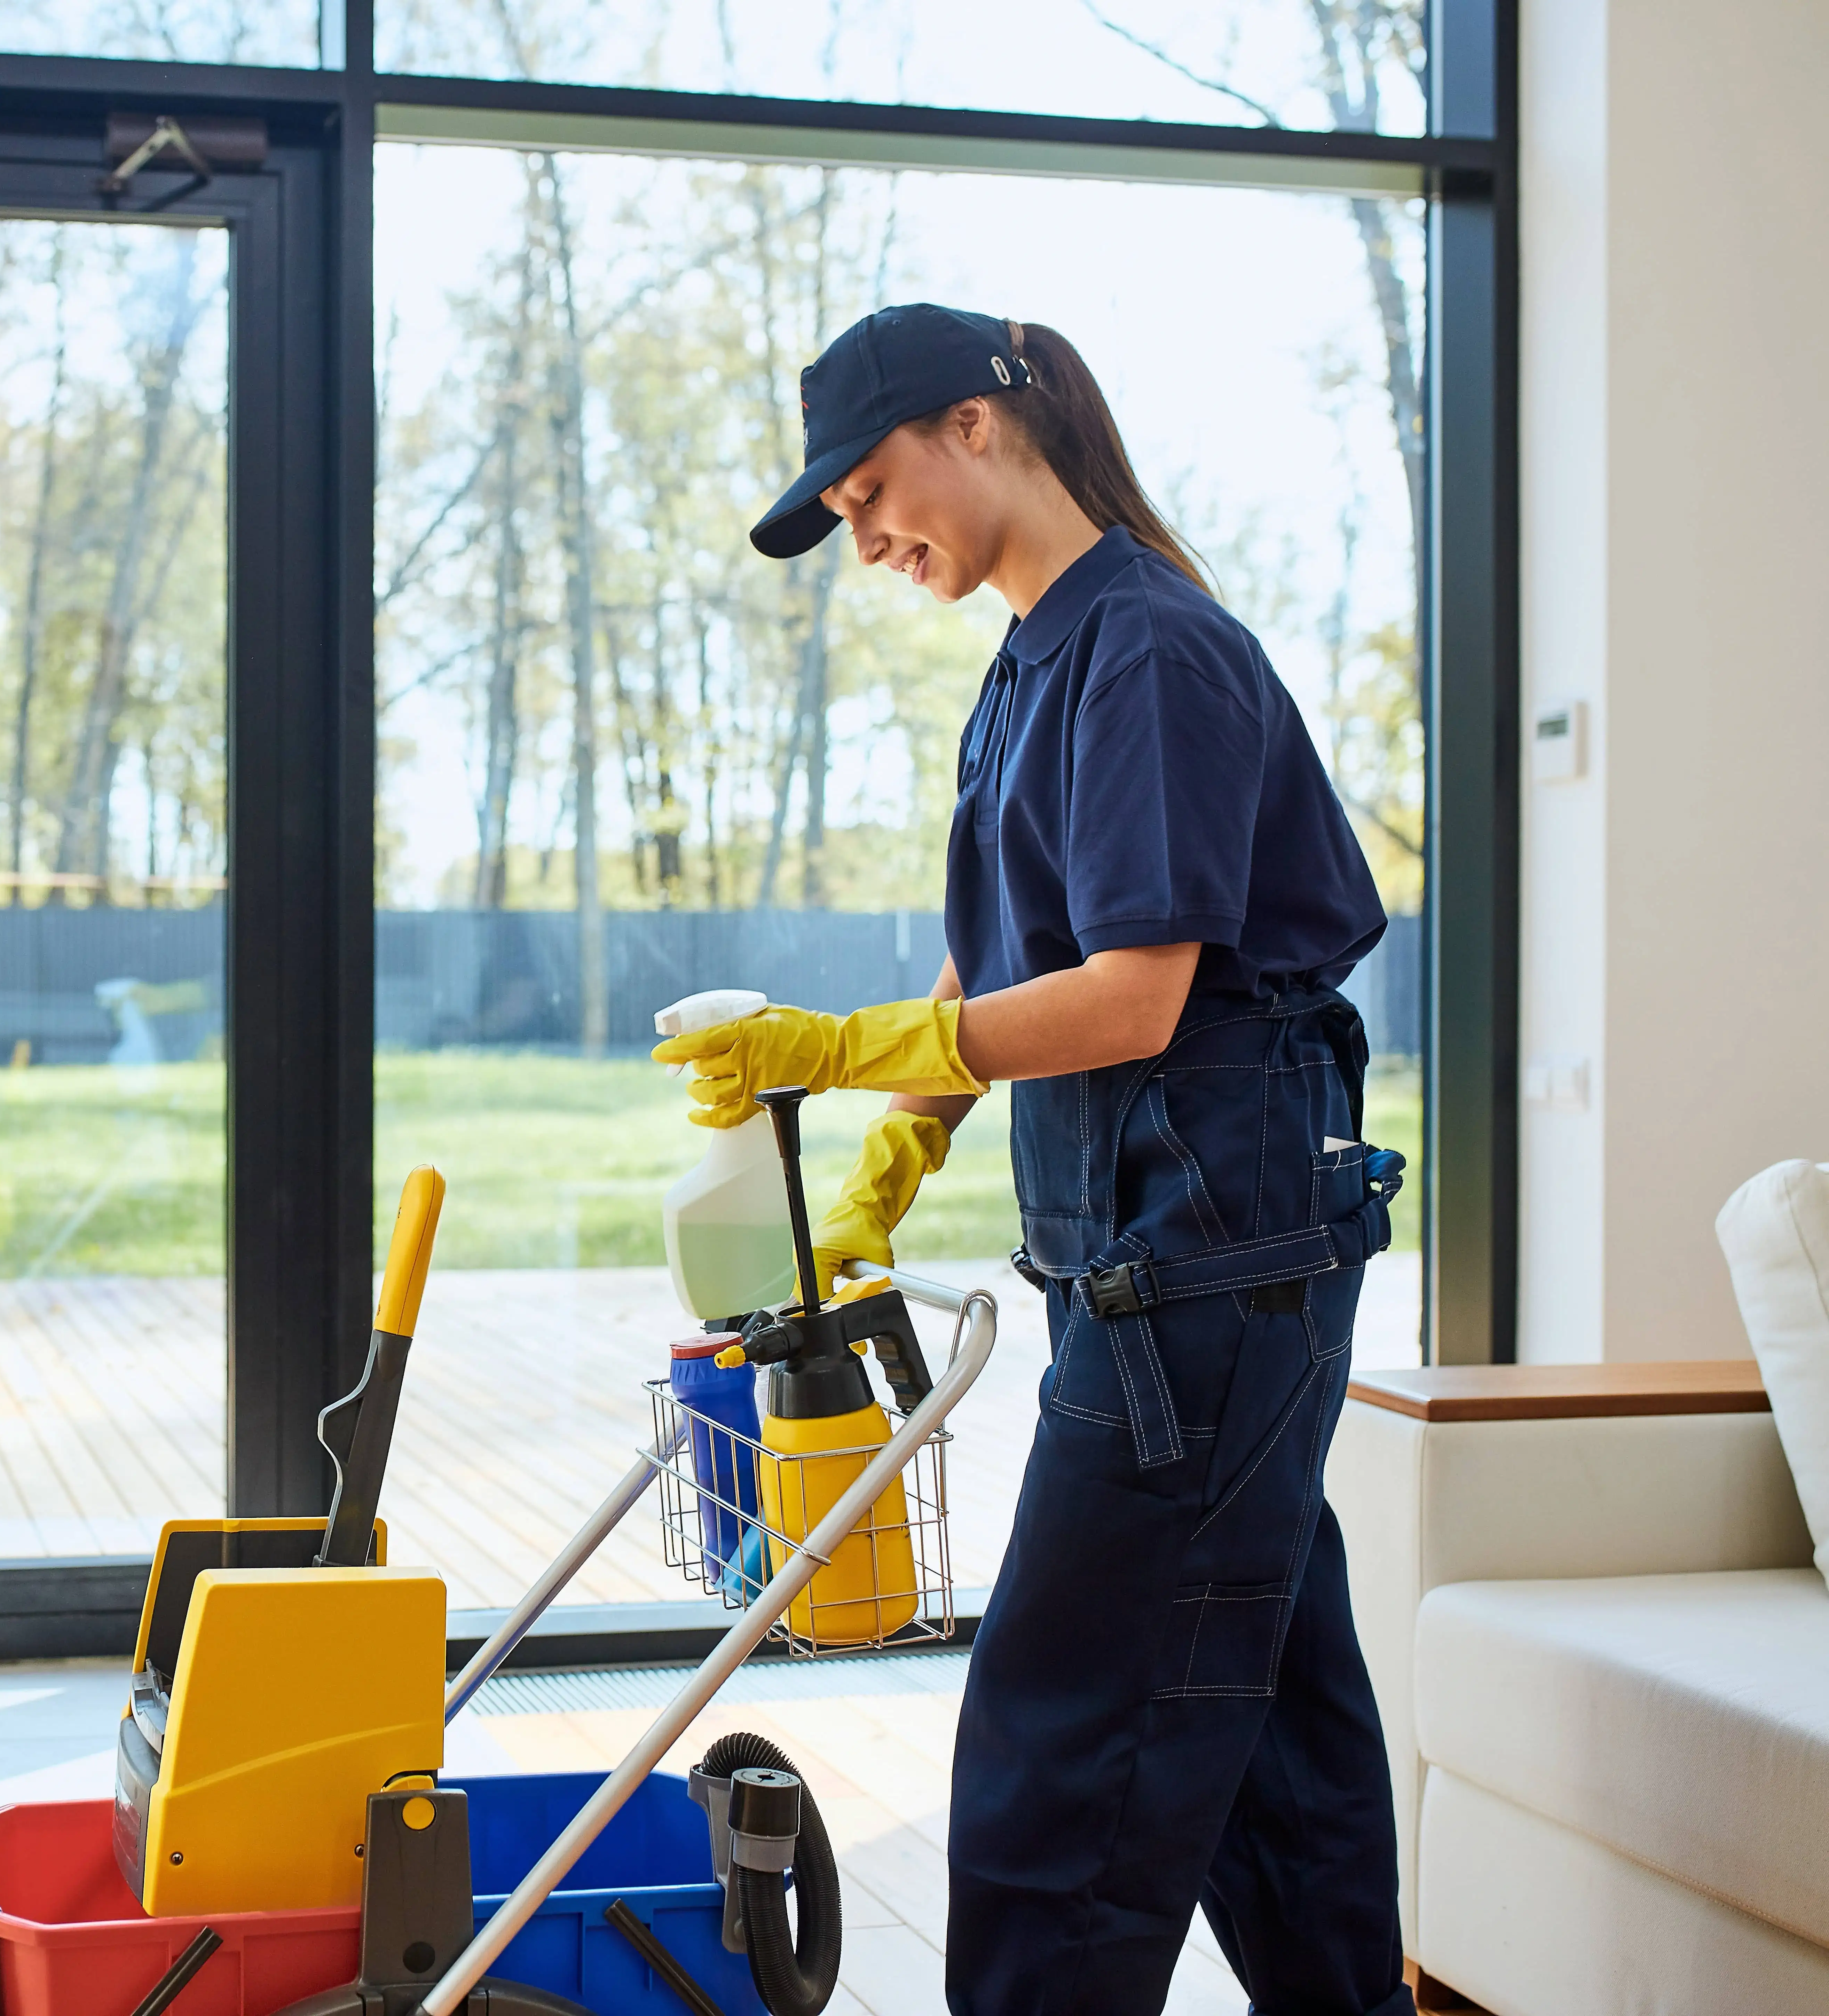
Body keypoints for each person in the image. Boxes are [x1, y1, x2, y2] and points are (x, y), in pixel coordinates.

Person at [656, 304, 1410, 2016]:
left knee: (1060, 1744)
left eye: (869, 492)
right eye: (842, 516)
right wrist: (895, 1151)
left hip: (1203, 1270)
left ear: (977, 425)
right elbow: (1004, 953)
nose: (865, 539)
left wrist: (840, 1048)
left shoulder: (1148, 649)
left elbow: (1135, 996)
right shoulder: (1035, 659)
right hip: (1171, 1265)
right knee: (1271, 1731)